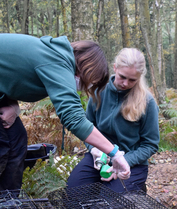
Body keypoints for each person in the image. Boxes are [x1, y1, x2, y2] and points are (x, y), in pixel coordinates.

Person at [0, 33, 130, 195]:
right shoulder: (58, 62)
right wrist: (114, 152)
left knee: (16, 139)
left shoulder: (54, 57)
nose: (83, 88)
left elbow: (9, 73)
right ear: (86, 69)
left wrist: (14, 106)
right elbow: (73, 117)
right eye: (89, 83)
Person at [66, 48, 160, 193]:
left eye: (132, 80)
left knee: (109, 204)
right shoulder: (98, 92)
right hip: (99, 158)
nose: (125, 83)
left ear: (140, 77)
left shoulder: (147, 102)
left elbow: (150, 144)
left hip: (131, 163)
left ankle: (137, 189)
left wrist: (125, 161)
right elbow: (87, 128)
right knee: (73, 192)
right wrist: (94, 149)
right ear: (115, 68)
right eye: (122, 76)